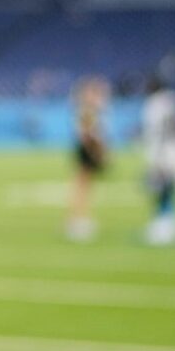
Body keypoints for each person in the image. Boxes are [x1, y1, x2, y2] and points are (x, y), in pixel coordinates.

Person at [138, 73, 175, 245]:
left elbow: (157, 130)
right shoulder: (174, 100)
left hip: (163, 149)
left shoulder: (154, 104)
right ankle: (170, 222)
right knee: (170, 187)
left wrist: (158, 155)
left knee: (161, 188)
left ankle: (163, 223)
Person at [65, 74, 109, 241]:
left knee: (84, 185)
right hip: (86, 149)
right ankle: (76, 220)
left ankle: (79, 218)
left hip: (86, 148)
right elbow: (86, 132)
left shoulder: (88, 108)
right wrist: (96, 151)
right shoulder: (86, 109)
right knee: (82, 185)